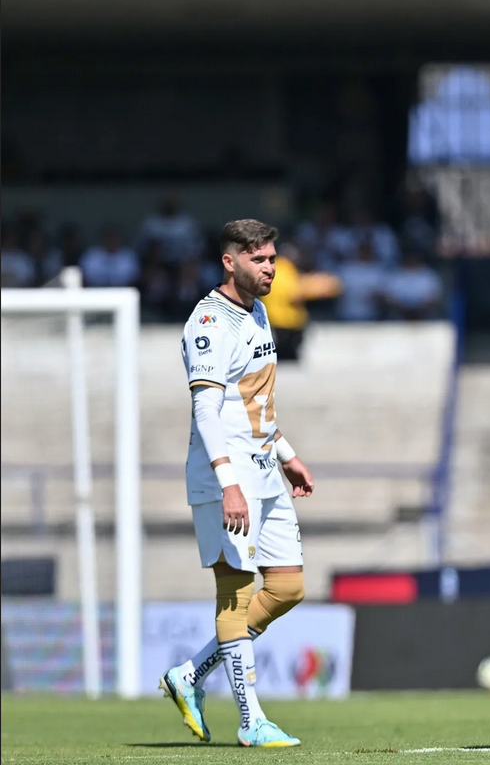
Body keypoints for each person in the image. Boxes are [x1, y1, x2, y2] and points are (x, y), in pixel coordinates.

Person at [162, 219, 315, 747]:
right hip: (223, 477)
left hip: (265, 470)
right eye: (259, 260)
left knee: (288, 587)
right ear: (230, 262)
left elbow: (254, 402)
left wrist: (288, 454)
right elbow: (206, 411)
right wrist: (228, 484)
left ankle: (190, 675)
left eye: (273, 258)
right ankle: (251, 722)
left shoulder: (260, 311)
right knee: (234, 592)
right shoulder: (208, 322)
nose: (271, 268)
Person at [260, 242, 342, 361]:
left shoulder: (271, 270)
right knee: (288, 360)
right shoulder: (284, 270)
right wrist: (321, 287)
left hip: (274, 320)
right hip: (287, 323)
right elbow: (295, 294)